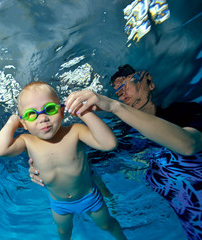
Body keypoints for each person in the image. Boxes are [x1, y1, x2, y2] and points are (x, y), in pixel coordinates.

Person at [29, 65, 202, 240]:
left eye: (127, 83)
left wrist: (114, 106)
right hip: (193, 225)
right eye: (117, 91)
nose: (122, 92)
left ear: (149, 82)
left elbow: (188, 144)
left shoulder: (183, 112)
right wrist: (46, 166)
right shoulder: (124, 136)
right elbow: (88, 165)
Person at [0, 81, 127, 240]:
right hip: (59, 204)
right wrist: (12, 122)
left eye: (49, 109)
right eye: (31, 114)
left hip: (88, 197)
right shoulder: (26, 140)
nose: (42, 118)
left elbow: (109, 143)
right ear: (24, 123)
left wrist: (83, 113)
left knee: (107, 225)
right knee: (63, 232)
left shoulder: (75, 131)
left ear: (62, 111)